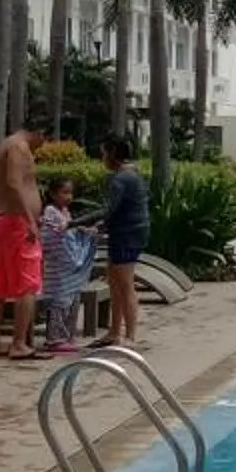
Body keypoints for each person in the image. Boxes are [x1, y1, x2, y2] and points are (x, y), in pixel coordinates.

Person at [0, 113, 46, 359]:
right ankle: (19, 343)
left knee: (0, 285)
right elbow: (13, 182)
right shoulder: (19, 147)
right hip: (17, 224)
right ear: (40, 132)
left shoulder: (4, 144)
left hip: (5, 221)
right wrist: (30, 221)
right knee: (27, 284)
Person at [96, 136, 148, 347]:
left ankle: (130, 336)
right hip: (127, 232)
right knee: (115, 283)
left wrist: (75, 223)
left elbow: (108, 210)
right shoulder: (131, 173)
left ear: (113, 155)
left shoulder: (121, 179)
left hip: (127, 235)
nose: (103, 158)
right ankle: (114, 331)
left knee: (125, 284)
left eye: (104, 153)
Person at [36, 176, 87, 353]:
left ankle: (67, 335)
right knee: (59, 302)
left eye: (70, 192)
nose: (68, 197)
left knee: (71, 301)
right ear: (53, 194)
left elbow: (69, 233)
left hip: (68, 267)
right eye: (64, 192)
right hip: (57, 267)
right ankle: (55, 338)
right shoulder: (50, 213)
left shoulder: (65, 212)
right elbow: (51, 237)